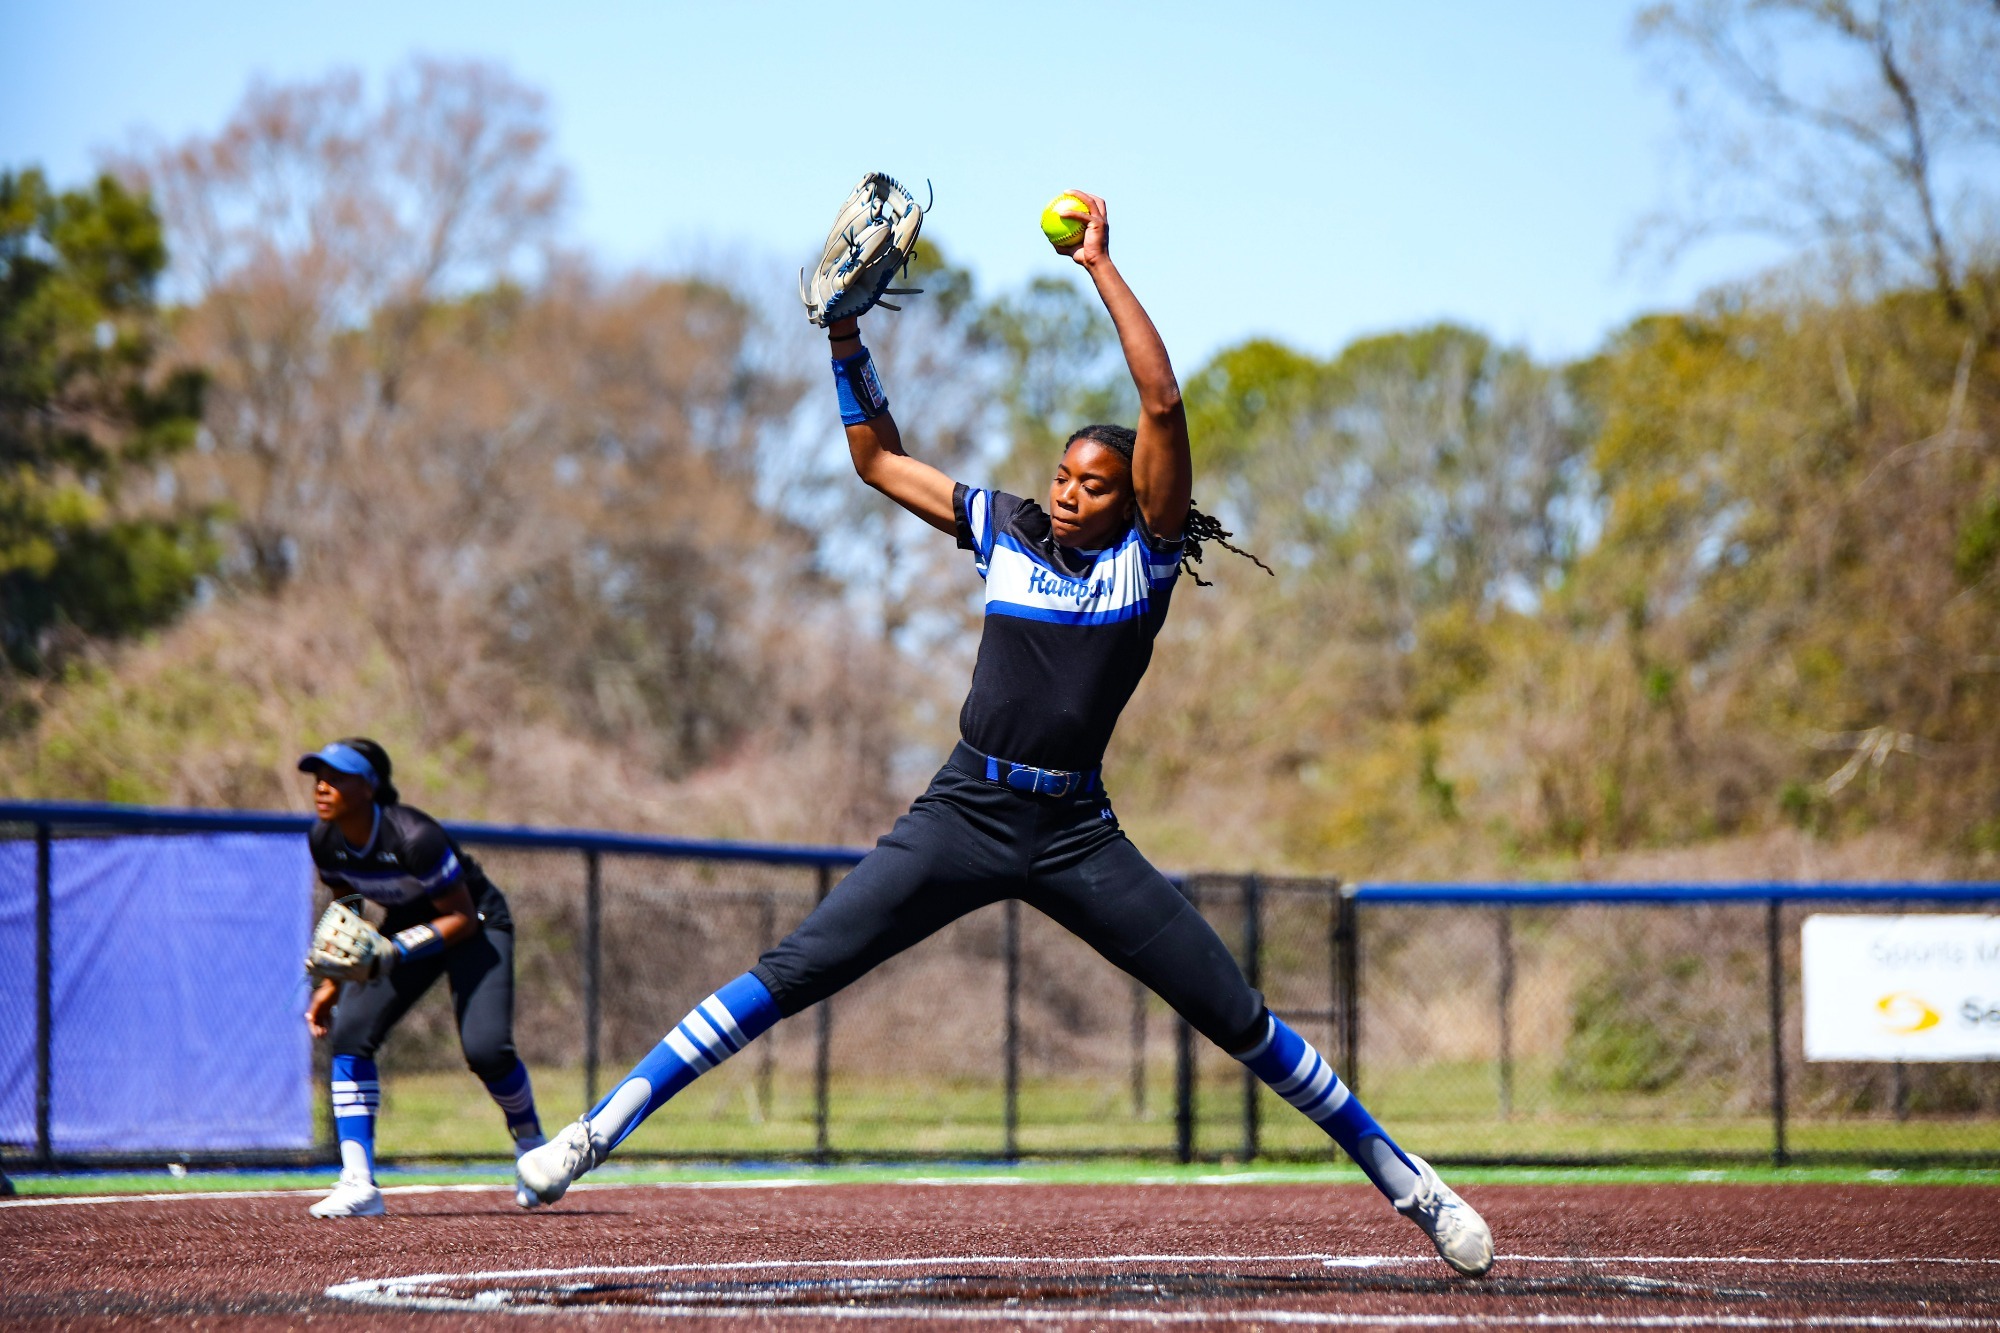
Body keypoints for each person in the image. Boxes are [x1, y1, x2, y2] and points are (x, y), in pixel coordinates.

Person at [519, 191, 1493, 1275]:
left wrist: (1098, 270)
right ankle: (593, 1132)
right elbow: (878, 461)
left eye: (1094, 484)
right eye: (1063, 477)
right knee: (793, 968)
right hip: (964, 808)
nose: (1070, 495)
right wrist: (846, 338)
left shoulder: (1145, 563)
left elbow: (1160, 400)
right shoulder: (1009, 532)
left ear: (1134, 505)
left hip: (1076, 831)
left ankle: (1408, 1180)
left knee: (1237, 1014)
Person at [299, 737, 545, 1218]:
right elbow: (347, 906)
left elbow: (460, 915)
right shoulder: (324, 838)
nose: (322, 787)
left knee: (487, 1050)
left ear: (369, 787)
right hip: (408, 925)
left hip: (475, 923)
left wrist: (391, 951)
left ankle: (535, 1148)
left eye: (337, 777)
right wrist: (332, 982)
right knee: (349, 1035)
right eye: (317, 777)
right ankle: (358, 1182)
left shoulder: (413, 836)